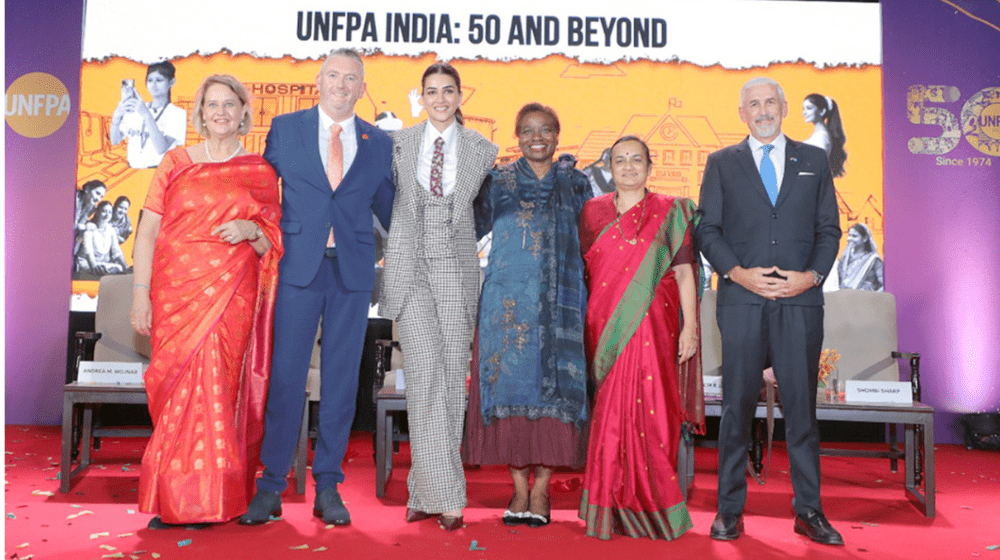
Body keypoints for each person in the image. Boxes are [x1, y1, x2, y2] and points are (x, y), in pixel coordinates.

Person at [240, 49, 395, 527]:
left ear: (362, 87)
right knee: (287, 378)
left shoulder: (378, 142)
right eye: (333, 75)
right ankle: (271, 485)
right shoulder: (286, 130)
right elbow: (260, 194)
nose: (341, 85)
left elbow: (392, 214)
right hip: (296, 269)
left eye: (352, 78)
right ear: (318, 79)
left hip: (351, 273)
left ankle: (328, 484)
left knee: (342, 382)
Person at [129, 74, 282, 528]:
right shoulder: (175, 162)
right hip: (176, 295)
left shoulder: (259, 172)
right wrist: (140, 294)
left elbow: (273, 240)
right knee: (177, 395)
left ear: (243, 114)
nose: (220, 112)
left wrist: (252, 230)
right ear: (198, 114)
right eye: (212, 104)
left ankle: (208, 498)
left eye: (229, 104)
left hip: (230, 295)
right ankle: (170, 496)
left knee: (216, 391)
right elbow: (149, 233)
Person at [696, 77, 843, 545]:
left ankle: (809, 511)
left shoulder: (814, 160)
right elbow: (708, 232)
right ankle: (729, 512)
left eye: (770, 102)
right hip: (740, 300)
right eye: (753, 104)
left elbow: (829, 231)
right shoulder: (721, 163)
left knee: (802, 413)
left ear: (783, 107)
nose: (763, 111)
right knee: (736, 411)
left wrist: (811, 276)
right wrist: (737, 273)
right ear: (742, 113)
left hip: (800, 302)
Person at [379, 62, 498, 531]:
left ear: (460, 95)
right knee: (425, 373)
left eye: (449, 91)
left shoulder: (482, 150)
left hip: (457, 271)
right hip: (410, 269)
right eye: (432, 91)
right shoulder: (399, 145)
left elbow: (486, 213)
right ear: (421, 96)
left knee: (450, 381)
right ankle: (449, 497)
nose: (441, 99)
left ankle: (425, 491)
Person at [463, 103, 591, 529]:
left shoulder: (575, 183)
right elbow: (464, 230)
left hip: (562, 307)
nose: (537, 137)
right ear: (516, 137)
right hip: (507, 307)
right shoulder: (497, 181)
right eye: (528, 130)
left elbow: (594, 242)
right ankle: (519, 488)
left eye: (547, 129)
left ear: (558, 135)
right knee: (509, 394)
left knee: (558, 396)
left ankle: (542, 489)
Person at [577, 136, 704, 541]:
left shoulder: (672, 211)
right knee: (610, 417)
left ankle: (655, 507)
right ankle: (609, 507)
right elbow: (589, 273)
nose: (628, 166)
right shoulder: (593, 212)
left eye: (636, 160)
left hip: (657, 327)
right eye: (620, 160)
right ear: (609, 168)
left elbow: (685, 273)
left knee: (656, 413)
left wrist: (691, 327)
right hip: (607, 327)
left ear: (650, 167)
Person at [110, 61, 188, 169]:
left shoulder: (177, 114)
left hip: (158, 172)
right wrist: (116, 117)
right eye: (150, 80)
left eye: (159, 80)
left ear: (171, 82)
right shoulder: (136, 108)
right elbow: (115, 140)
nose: (153, 85)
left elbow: (161, 148)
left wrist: (146, 114)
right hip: (133, 170)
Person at [75, 200, 128, 277]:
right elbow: (88, 252)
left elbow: (117, 252)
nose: (107, 215)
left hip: (102, 264)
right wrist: (94, 267)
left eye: (110, 212)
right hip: (87, 263)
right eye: (104, 211)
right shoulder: (90, 227)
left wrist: (126, 269)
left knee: (119, 268)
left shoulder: (110, 229)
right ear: (97, 211)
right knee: (104, 271)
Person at [802, 93, 847, 178]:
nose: (804, 113)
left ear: (822, 111)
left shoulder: (822, 137)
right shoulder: (819, 134)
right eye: (804, 109)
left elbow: (816, 167)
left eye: (809, 108)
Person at [837, 223, 884, 291]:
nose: (849, 239)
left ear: (864, 239)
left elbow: (883, 285)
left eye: (854, 236)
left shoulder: (873, 259)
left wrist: (875, 298)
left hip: (866, 299)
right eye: (849, 235)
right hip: (846, 298)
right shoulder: (845, 259)